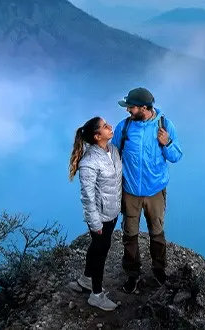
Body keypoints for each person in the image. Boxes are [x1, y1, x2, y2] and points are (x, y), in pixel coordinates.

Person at [112, 87, 183, 293]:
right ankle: (132, 275)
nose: (128, 110)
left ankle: (159, 271)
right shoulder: (124, 127)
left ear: (144, 108)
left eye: (131, 107)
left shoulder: (165, 126)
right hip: (130, 190)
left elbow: (177, 156)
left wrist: (167, 143)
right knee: (130, 234)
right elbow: (114, 156)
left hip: (155, 191)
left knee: (157, 233)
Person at [68, 116, 123, 311]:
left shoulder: (112, 150)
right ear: (97, 136)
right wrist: (95, 222)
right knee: (101, 252)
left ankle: (85, 280)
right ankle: (96, 295)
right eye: (105, 126)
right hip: (100, 217)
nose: (110, 127)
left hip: (112, 212)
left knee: (97, 247)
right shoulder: (89, 163)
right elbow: (88, 197)